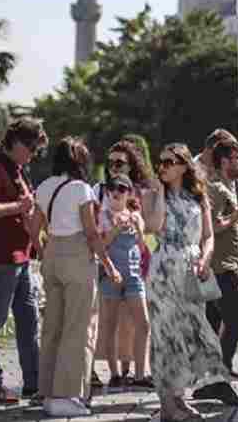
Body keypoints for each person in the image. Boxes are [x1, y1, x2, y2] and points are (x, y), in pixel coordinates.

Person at [146, 143, 238, 420]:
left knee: (192, 336)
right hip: (164, 269)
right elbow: (153, 226)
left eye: (168, 162)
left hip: (191, 270)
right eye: (160, 162)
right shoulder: (156, 194)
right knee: (165, 337)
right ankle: (168, 405)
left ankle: (179, 399)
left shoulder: (198, 197)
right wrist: (161, 192)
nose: (162, 167)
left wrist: (205, 258)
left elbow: (209, 236)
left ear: (184, 165)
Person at [31, 137, 118, 418]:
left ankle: (46, 392)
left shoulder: (44, 186)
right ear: (79, 160)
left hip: (53, 254)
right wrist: (109, 265)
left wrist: (46, 252)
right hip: (77, 256)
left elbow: (33, 229)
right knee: (77, 328)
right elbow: (91, 233)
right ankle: (65, 395)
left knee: (52, 328)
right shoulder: (80, 188)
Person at [0, 117, 46, 404]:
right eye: (32, 148)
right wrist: (18, 206)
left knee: (29, 320)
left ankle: (34, 383)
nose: (34, 155)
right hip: (0, 257)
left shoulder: (17, 168)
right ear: (16, 143)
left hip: (21, 256)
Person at [94, 139, 159, 388]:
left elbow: (145, 241)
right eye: (110, 163)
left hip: (134, 272)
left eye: (119, 163)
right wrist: (115, 229)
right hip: (110, 273)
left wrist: (139, 227)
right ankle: (116, 373)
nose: (116, 191)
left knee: (141, 323)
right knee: (110, 325)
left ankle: (139, 373)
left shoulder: (138, 205)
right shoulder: (102, 204)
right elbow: (99, 239)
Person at [204, 139, 238, 381]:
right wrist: (236, 217)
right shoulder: (217, 189)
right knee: (236, 322)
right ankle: (219, 370)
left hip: (228, 266)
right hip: (221, 268)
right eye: (237, 158)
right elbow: (210, 226)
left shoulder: (229, 187)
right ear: (224, 161)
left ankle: (216, 372)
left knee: (216, 323)